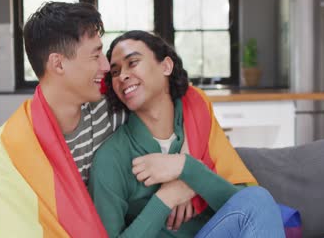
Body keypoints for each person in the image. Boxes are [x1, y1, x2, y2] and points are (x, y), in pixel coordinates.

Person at [88, 30, 286, 237]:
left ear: (166, 66)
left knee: (257, 198)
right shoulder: (112, 158)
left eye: (133, 62)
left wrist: (186, 169)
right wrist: (166, 198)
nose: (123, 76)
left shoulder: (197, 121)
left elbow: (246, 207)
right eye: (115, 72)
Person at [0, 2, 127, 238]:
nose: (106, 66)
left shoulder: (109, 111)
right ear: (58, 63)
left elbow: (173, 103)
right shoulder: (8, 148)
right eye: (96, 55)